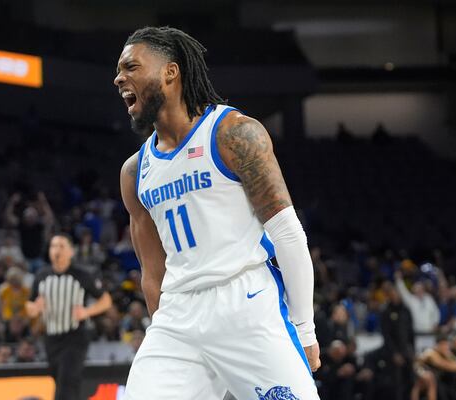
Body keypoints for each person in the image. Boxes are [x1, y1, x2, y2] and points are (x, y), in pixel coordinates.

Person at [115, 26, 320, 399]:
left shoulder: (233, 134)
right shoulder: (134, 171)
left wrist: (304, 328)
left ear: (170, 72)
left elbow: (288, 233)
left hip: (245, 303)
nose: (119, 78)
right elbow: (152, 271)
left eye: (130, 67)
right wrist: (165, 328)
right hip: (177, 314)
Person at [25, 233, 112, 400]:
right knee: (60, 380)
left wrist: (87, 312)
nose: (57, 250)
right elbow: (29, 305)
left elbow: (106, 300)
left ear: (71, 252)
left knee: (67, 380)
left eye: (61, 246)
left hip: (75, 336)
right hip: (51, 337)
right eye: (53, 246)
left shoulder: (82, 275)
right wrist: (35, 308)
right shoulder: (41, 276)